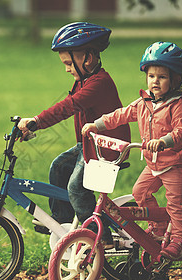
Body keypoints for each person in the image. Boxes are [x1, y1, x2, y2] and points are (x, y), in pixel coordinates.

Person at [18, 22, 131, 248]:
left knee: (76, 187)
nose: (67, 68)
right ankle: (64, 221)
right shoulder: (84, 80)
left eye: (69, 63)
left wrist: (37, 121)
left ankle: (99, 235)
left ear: (88, 59)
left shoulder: (99, 83)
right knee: (58, 167)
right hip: (88, 144)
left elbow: (69, 106)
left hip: (107, 148)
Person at [82, 41, 182, 259]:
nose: (155, 81)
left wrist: (164, 140)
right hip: (154, 164)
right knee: (140, 193)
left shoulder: (179, 105)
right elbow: (121, 114)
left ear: (176, 80)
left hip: (176, 165)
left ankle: (180, 241)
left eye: (162, 77)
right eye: (151, 76)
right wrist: (96, 125)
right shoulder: (144, 103)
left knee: (175, 205)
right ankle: (158, 226)